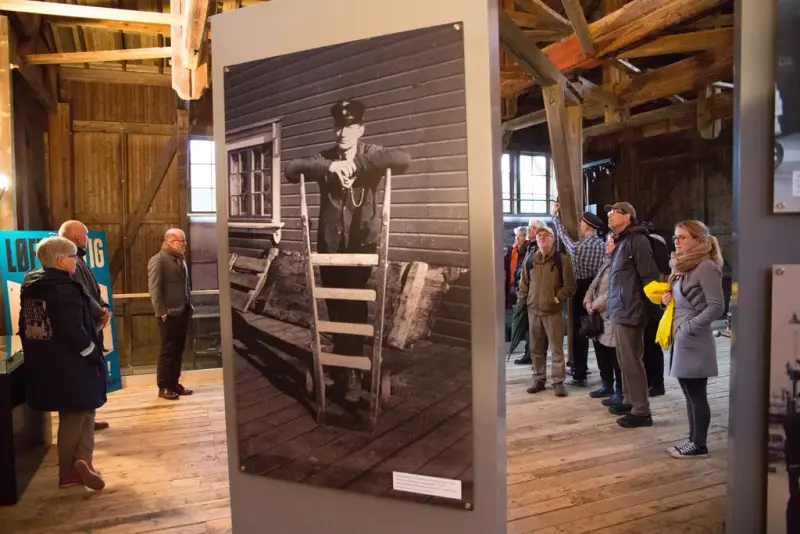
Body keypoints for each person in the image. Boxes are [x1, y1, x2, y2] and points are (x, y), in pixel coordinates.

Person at [284, 99, 411, 402]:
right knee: (336, 304)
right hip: (330, 245)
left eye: (350, 126)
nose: (343, 132)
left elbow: (403, 159)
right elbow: (292, 169)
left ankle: (352, 369)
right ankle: (346, 365)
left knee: (354, 303)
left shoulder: (372, 154)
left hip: (361, 243)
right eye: (339, 126)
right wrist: (332, 166)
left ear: (360, 129)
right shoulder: (326, 158)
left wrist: (355, 164)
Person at [19, 236, 107, 490]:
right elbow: (73, 329)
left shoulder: (30, 285)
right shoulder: (65, 288)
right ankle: (70, 471)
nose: (76, 260)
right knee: (74, 414)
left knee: (85, 409)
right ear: (60, 260)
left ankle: (84, 461)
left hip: (45, 362)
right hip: (72, 363)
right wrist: (91, 351)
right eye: (73, 256)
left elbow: (28, 327)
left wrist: (96, 326)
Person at [661, 220, 725, 458]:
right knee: (688, 392)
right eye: (675, 237)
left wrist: (688, 327)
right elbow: (679, 299)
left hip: (694, 339)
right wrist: (665, 300)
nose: (676, 241)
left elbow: (717, 306)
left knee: (697, 394)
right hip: (682, 338)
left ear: (698, 241)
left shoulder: (706, 267)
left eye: (682, 237)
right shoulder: (682, 266)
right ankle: (692, 439)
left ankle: (699, 444)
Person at [604, 202, 661, 428]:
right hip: (620, 308)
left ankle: (641, 411)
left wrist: (650, 308)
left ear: (627, 217)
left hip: (631, 309)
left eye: (614, 212)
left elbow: (649, 275)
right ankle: (629, 400)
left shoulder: (637, 241)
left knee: (632, 361)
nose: (609, 215)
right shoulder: (621, 242)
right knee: (623, 360)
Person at [59, 220, 112, 431]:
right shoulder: (71, 263)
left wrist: (104, 305)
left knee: (93, 376)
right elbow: (82, 293)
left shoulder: (79, 260)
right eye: (86, 235)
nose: (88, 239)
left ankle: (89, 416)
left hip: (93, 322)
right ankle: (84, 421)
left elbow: (93, 290)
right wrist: (100, 312)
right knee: (86, 375)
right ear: (75, 238)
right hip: (86, 326)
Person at [517, 226, 576, 397]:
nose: (541, 238)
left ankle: (558, 382)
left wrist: (558, 298)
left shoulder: (562, 260)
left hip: (553, 312)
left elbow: (570, 286)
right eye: (539, 235)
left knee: (556, 349)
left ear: (553, 239)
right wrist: (523, 302)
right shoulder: (530, 259)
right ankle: (539, 379)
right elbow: (524, 285)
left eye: (545, 235)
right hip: (533, 311)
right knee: (535, 348)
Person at [551, 204, 605, 387]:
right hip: (599, 290)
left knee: (579, 333)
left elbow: (564, 238)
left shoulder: (579, 247)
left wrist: (555, 217)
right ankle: (607, 376)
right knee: (599, 331)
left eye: (581, 224)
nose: (580, 227)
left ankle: (580, 374)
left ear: (587, 227)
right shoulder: (604, 246)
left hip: (581, 289)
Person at [147, 228, 194, 400]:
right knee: (167, 350)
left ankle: (174, 383)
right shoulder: (158, 261)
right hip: (169, 314)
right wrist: (161, 312)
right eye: (183, 242)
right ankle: (164, 386)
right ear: (171, 242)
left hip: (183, 311)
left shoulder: (181, 260)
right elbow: (154, 289)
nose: (185, 245)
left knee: (178, 349)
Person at [584, 234, 622, 403]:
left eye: (610, 243)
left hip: (610, 316)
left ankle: (619, 391)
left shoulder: (620, 264)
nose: (607, 245)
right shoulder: (605, 262)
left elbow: (613, 290)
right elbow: (594, 284)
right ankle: (606, 385)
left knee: (614, 356)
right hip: (598, 317)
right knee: (601, 353)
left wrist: (595, 304)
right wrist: (587, 300)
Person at [514, 218, 548, 365]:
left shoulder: (540, 248)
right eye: (529, 227)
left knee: (537, 329)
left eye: (533, 227)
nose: (529, 230)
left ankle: (536, 356)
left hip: (536, 293)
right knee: (528, 325)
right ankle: (529, 353)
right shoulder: (529, 247)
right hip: (526, 291)